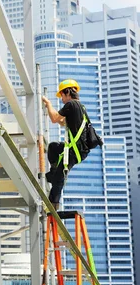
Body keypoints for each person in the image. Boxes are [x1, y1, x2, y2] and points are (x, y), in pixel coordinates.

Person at [42, 79, 92, 211]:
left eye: (62, 96)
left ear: (67, 93)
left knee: (59, 177)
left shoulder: (71, 105)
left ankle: (52, 206)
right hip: (78, 149)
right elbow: (63, 122)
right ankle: (52, 174)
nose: (62, 100)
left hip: (76, 150)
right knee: (53, 148)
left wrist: (48, 104)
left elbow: (54, 119)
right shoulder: (79, 107)